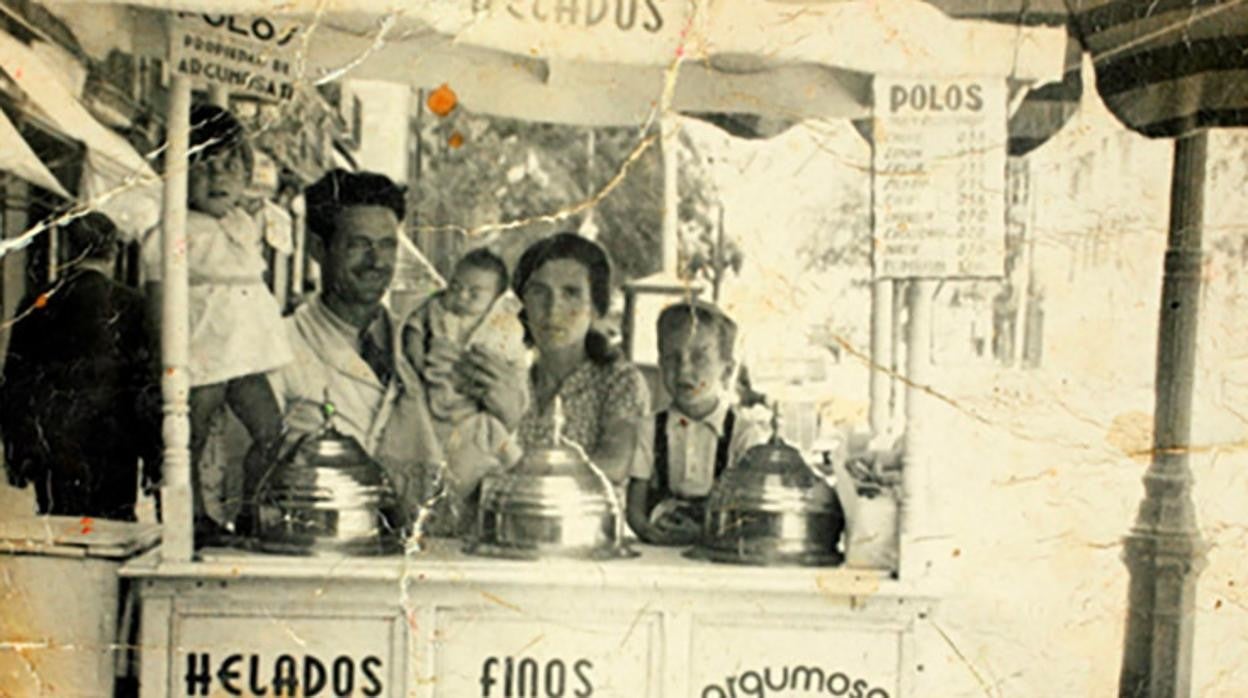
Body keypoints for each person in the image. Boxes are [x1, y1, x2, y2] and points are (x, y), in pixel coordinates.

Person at [242, 169, 443, 534]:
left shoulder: (416, 344)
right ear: (319, 249)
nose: (377, 261)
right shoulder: (278, 348)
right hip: (317, 556)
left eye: (387, 245)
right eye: (358, 244)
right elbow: (247, 486)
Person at [141, 104, 289, 540]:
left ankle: (252, 510)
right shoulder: (173, 229)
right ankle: (190, 517)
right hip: (202, 344)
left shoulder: (241, 223)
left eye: (229, 166)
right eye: (203, 167)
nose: (218, 178)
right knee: (189, 436)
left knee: (271, 429)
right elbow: (158, 296)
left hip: (244, 346)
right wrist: (166, 354)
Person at [454, 233, 650, 491]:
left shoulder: (619, 381)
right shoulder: (505, 374)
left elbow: (613, 466)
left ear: (596, 307)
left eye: (571, 293)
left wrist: (514, 442)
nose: (552, 308)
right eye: (539, 291)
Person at [1, 213, 160, 521]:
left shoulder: (38, 303)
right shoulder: (132, 305)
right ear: (114, 249)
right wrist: (153, 454)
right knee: (112, 525)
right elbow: (145, 384)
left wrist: (17, 452)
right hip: (116, 440)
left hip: (54, 439)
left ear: (67, 250)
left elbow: (16, 382)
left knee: (61, 524)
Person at [402, 248, 527, 532]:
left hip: (471, 401)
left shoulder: (503, 325)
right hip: (434, 386)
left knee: (486, 435)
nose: (460, 297)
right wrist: (418, 359)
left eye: (474, 293)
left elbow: (512, 363)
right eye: (456, 287)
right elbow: (414, 329)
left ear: (495, 299)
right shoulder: (435, 308)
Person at [625, 301, 766, 545]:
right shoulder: (649, 428)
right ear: (659, 363)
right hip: (660, 548)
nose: (683, 370)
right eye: (672, 358)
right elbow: (635, 506)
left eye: (699, 357)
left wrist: (706, 535)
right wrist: (647, 531)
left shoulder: (743, 434)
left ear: (727, 370)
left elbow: (751, 513)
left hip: (719, 551)